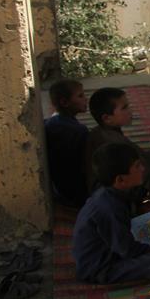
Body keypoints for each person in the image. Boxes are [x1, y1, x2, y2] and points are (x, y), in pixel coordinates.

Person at [72, 143, 150, 284]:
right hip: (98, 268)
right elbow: (125, 248)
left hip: (109, 249)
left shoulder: (112, 194)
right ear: (120, 180)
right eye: (137, 166)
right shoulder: (109, 208)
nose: (143, 169)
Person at [84, 87, 150, 208]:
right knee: (146, 168)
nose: (130, 110)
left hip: (104, 189)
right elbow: (145, 169)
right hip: (109, 195)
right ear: (107, 118)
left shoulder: (103, 131)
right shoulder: (113, 140)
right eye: (124, 108)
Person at [44, 79, 89, 208]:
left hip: (60, 187)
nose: (85, 99)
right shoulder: (77, 131)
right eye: (80, 96)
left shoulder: (52, 121)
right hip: (73, 191)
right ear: (65, 102)